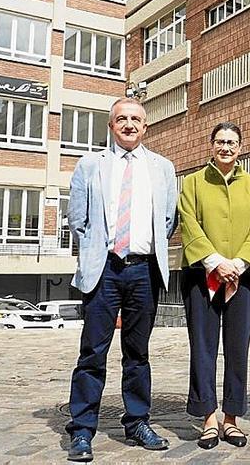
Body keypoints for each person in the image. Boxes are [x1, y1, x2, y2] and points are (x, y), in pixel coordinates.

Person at [65, 97, 178, 462]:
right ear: (111, 126)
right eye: (121, 119)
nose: (129, 125)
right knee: (92, 352)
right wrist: (97, 251)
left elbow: (167, 220)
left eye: (136, 119)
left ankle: (137, 421)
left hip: (144, 270)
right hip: (105, 269)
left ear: (146, 127)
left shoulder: (163, 168)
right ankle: (82, 429)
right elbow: (77, 219)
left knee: (138, 353)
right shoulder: (90, 165)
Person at [178, 122, 250, 450]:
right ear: (211, 145)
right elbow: (189, 223)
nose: (226, 147)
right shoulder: (192, 184)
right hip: (201, 277)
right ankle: (206, 418)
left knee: (236, 349)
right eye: (220, 141)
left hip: (243, 279)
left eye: (232, 142)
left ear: (241, 147)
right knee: (202, 349)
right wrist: (215, 262)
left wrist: (238, 264)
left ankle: (231, 418)